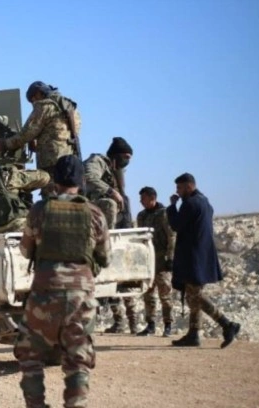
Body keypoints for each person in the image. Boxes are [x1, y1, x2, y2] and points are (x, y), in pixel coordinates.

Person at [14, 155, 111, 408]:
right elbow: (105, 257)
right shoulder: (95, 213)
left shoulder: (39, 211)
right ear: (81, 181)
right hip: (81, 297)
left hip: (44, 295)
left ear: (54, 181)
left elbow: (25, 250)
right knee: (78, 360)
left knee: (30, 355)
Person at [167, 173, 241, 348]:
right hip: (202, 255)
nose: (178, 192)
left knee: (195, 295)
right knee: (193, 296)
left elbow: (176, 225)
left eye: (180, 188)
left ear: (189, 186)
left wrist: (172, 207)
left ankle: (227, 324)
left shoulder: (190, 203)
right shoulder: (205, 202)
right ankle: (193, 334)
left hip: (193, 257)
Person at [83, 137, 137, 333]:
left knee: (118, 280)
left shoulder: (117, 172)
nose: (126, 162)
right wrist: (110, 191)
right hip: (92, 213)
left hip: (112, 224)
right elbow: (89, 177)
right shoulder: (97, 161)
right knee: (111, 203)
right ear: (115, 156)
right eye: (125, 157)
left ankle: (127, 322)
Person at [0, 81, 81, 195]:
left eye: (32, 99)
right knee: (66, 195)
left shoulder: (44, 106)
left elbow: (25, 134)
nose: (33, 103)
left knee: (50, 195)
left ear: (39, 93)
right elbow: (60, 133)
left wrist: (5, 144)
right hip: (69, 161)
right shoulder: (70, 107)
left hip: (50, 162)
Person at [135, 187, 175, 337]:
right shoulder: (141, 216)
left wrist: (170, 258)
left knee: (165, 294)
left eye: (143, 198)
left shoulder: (164, 214)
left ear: (152, 198)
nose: (141, 201)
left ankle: (168, 325)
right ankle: (150, 325)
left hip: (162, 260)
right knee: (148, 294)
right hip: (147, 261)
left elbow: (172, 236)